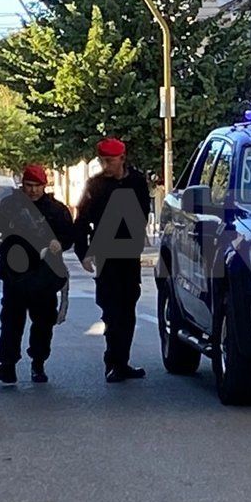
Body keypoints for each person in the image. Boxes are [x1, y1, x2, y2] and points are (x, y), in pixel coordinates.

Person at [0, 165, 75, 384]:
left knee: (43, 321)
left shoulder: (55, 209)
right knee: (11, 320)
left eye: (37, 186)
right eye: (29, 186)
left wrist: (58, 242)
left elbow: (68, 235)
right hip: (15, 272)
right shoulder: (11, 205)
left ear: (44, 186)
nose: (32, 191)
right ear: (23, 185)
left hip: (44, 273)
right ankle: (7, 366)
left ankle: (38, 364)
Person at [74, 138, 153, 383]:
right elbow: (82, 220)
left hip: (128, 254)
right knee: (111, 310)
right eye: (103, 161)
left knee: (128, 309)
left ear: (122, 158)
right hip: (105, 253)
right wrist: (83, 252)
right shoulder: (96, 185)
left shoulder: (137, 182)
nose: (106, 165)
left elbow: (142, 214)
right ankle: (113, 362)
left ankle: (122, 361)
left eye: (110, 161)